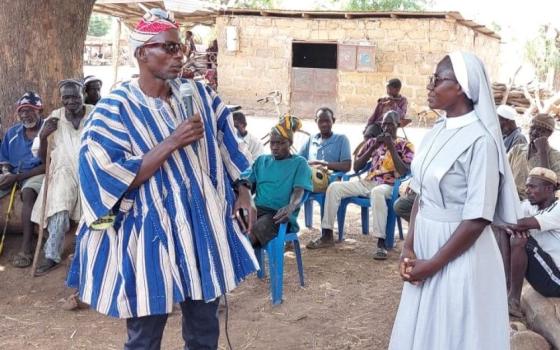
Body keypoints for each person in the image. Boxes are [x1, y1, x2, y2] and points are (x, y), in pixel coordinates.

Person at [66, 9, 258, 350]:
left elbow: (231, 148)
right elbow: (107, 176)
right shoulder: (114, 110)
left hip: (202, 230)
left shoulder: (201, 96)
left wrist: (243, 192)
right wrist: (172, 141)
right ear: (142, 53)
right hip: (148, 238)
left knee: (203, 331)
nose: (178, 55)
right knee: (144, 336)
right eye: (168, 48)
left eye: (179, 47)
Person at [389, 52, 520, 350]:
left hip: (461, 252)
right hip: (426, 243)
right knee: (424, 329)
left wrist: (434, 263)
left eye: (438, 80)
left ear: (461, 86)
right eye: (431, 79)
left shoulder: (481, 141)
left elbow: (478, 218)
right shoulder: (436, 131)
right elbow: (422, 195)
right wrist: (409, 245)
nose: (430, 86)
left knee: (455, 331)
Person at [306, 110, 414, 260]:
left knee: (377, 192)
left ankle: (380, 243)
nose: (387, 128)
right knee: (334, 187)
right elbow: (356, 167)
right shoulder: (373, 142)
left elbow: (404, 171)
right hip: (367, 182)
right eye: (384, 125)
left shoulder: (405, 145)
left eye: (391, 124)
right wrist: (372, 147)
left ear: (398, 124)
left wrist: (391, 147)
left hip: (388, 185)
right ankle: (327, 234)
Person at [30, 79, 94, 276]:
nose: (71, 101)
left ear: (83, 94)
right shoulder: (54, 118)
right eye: (66, 97)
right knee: (59, 206)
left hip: (89, 169)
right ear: (61, 99)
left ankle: (86, 253)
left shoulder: (94, 113)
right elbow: (42, 157)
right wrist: (43, 136)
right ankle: (51, 254)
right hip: (63, 170)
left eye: (75, 96)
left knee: (92, 209)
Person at [497, 167, 560, 317]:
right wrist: (507, 225)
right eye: (526, 186)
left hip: (557, 279)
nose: (527, 190)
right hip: (546, 272)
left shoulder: (558, 208)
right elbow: (502, 219)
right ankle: (507, 286)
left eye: (532, 186)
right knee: (506, 231)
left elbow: (519, 224)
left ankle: (514, 300)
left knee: (519, 238)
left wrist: (509, 224)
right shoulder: (529, 205)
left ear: (549, 188)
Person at [242, 117, 313, 246]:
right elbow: (247, 184)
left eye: (280, 143)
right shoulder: (261, 161)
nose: (275, 147)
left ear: (290, 143)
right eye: (272, 143)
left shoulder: (299, 163)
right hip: (256, 210)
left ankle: (246, 265)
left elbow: (299, 191)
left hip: (278, 215)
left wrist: (291, 206)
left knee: (252, 233)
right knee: (233, 226)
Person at [0, 92, 45, 268]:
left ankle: (26, 249)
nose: (25, 115)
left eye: (29, 110)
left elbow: (47, 165)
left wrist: (18, 177)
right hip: (13, 174)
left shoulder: (46, 131)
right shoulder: (12, 133)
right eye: (22, 111)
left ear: (39, 110)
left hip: (35, 174)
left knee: (28, 193)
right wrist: (5, 173)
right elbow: (4, 161)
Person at [508, 113, 560, 200]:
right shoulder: (517, 150)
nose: (535, 132)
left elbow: (549, 187)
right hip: (511, 201)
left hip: (535, 206)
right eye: (533, 128)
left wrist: (543, 152)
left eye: (541, 130)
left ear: (549, 134)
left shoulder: (556, 157)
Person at [298, 107, 351, 173]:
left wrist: (322, 164)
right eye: (321, 121)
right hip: (308, 176)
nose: (324, 124)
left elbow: (347, 166)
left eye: (327, 121)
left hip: (331, 178)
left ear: (333, 120)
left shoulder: (342, 139)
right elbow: (299, 160)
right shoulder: (311, 139)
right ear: (316, 121)